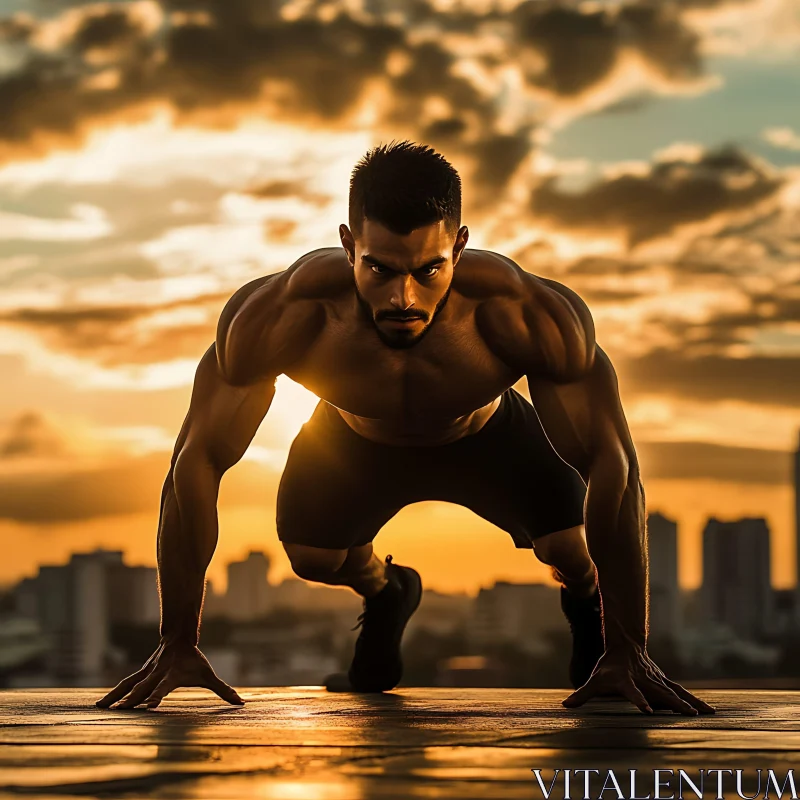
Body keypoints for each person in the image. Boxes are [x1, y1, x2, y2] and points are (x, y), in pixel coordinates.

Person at [96, 141, 715, 716]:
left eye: (428, 270)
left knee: (570, 551)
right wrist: (178, 639)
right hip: (352, 442)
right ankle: (388, 590)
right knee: (312, 558)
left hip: (488, 439)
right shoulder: (283, 315)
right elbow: (193, 465)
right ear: (347, 245)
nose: (403, 298)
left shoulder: (522, 313)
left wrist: (631, 644)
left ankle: (587, 609)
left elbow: (616, 468)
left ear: (461, 246)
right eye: (380, 269)